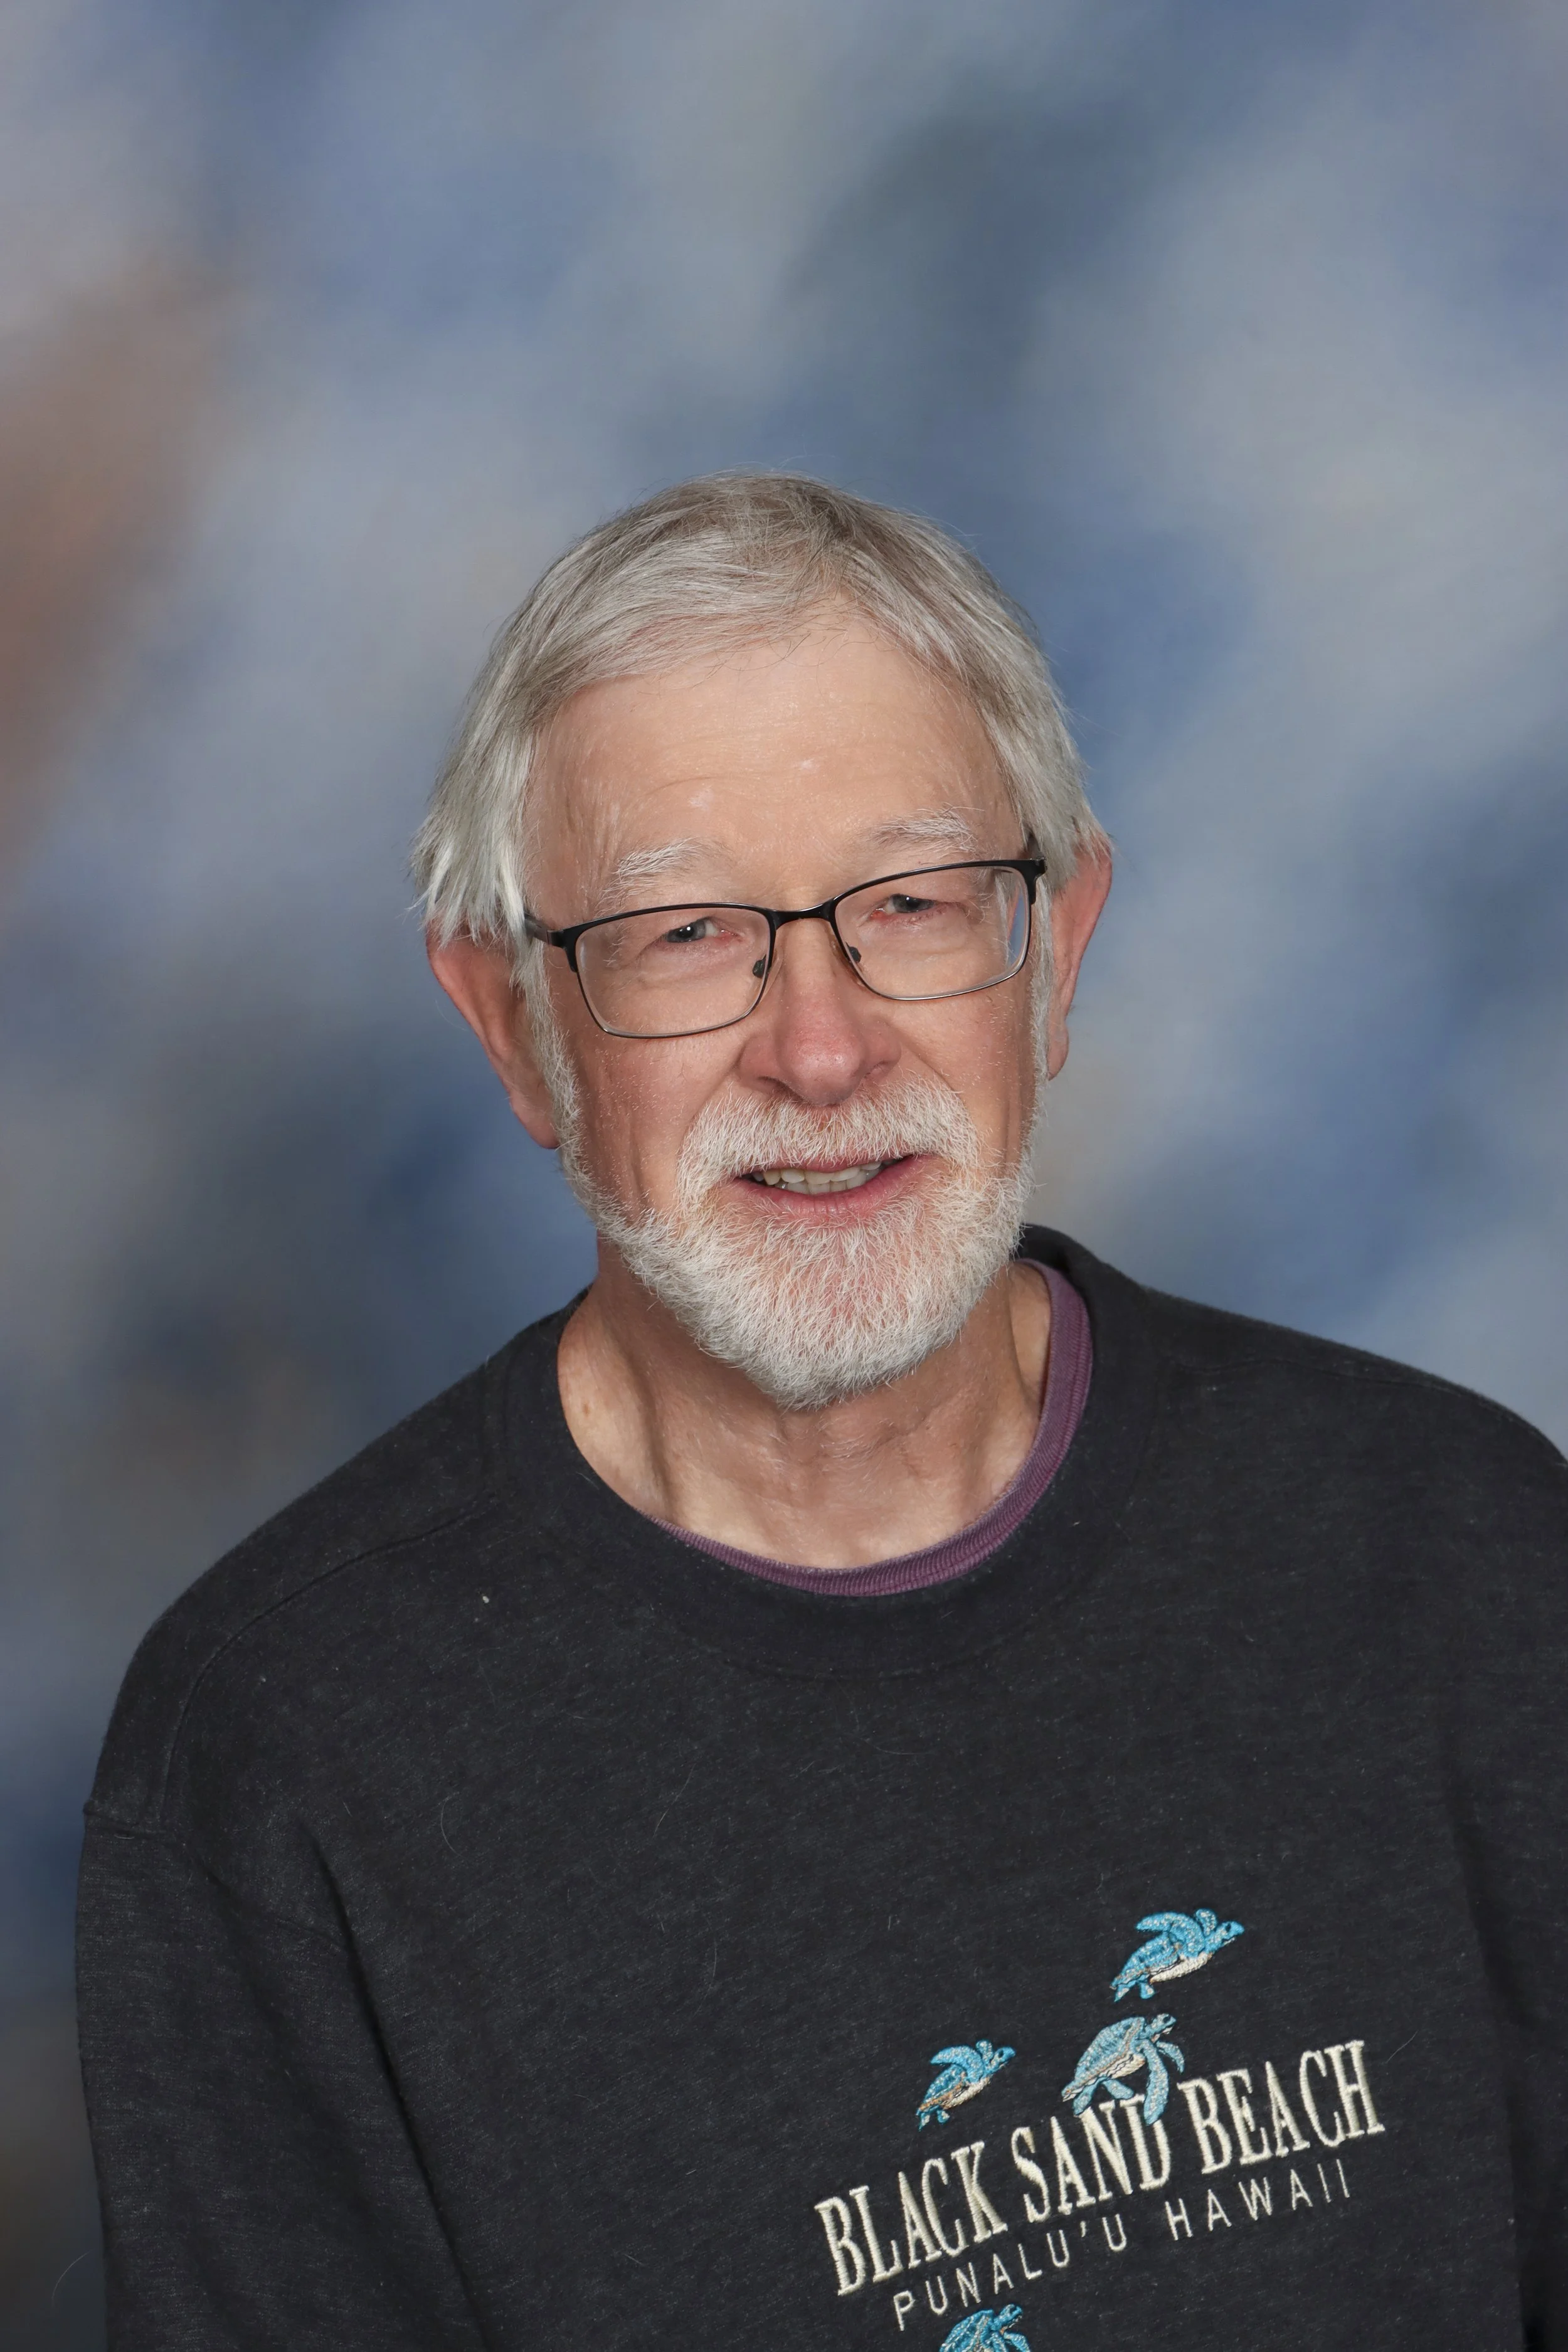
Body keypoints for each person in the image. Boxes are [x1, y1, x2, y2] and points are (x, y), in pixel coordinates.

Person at [78, 474, 1567, 2352]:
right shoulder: (280, 1765)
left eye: (913, 902)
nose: (819, 1042)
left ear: (1055, 948)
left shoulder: (1464, 1554)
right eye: (685, 933)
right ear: (508, 1021)